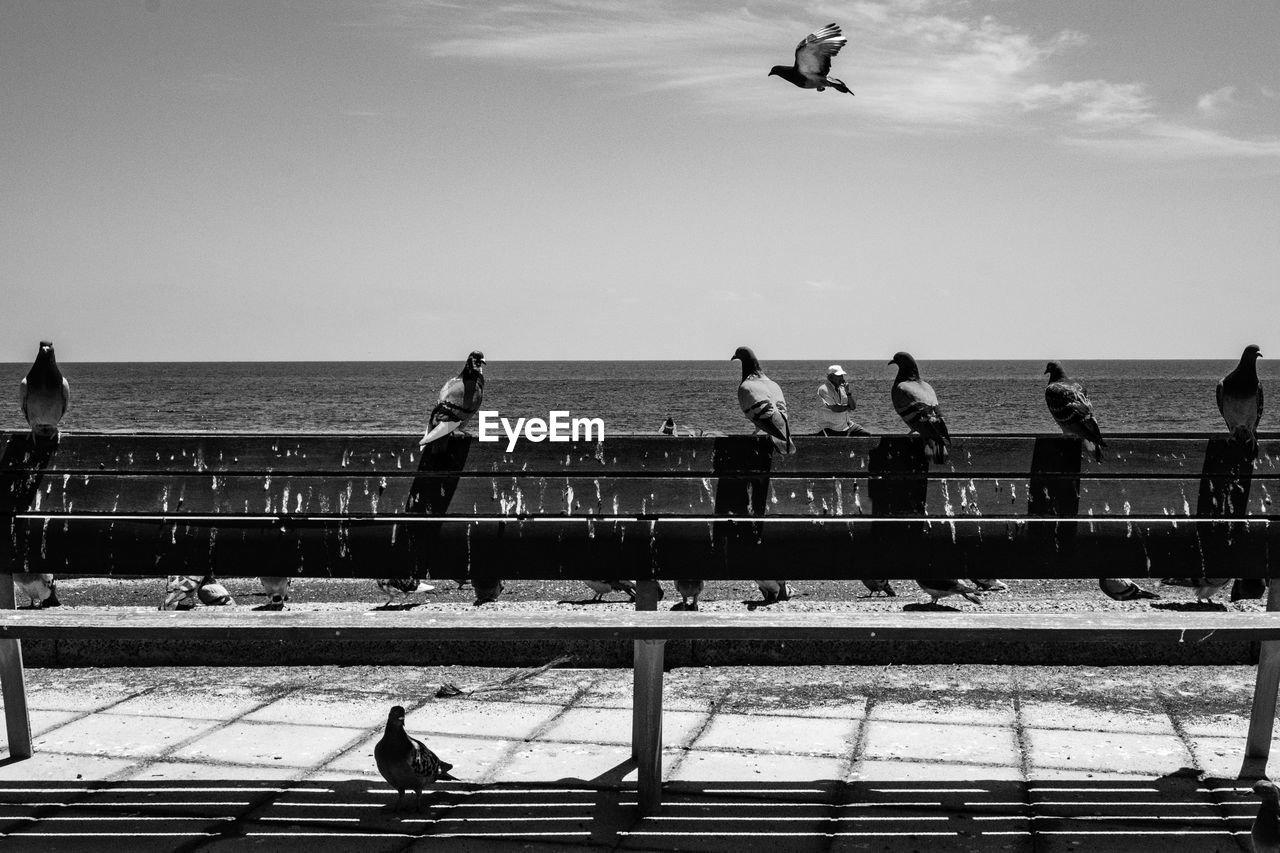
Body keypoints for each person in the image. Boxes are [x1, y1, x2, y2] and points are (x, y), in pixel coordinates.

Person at [816, 365, 870, 436]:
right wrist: (848, 407)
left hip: (847, 426)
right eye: (839, 376)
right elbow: (835, 408)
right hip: (829, 428)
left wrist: (848, 393)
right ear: (830, 377)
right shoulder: (823, 389)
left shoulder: (842, 388)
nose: (842, 378)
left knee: (866, 434)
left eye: (842, 375)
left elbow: (853, 407)